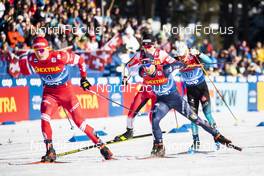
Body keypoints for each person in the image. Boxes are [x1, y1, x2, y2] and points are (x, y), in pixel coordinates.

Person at [17, 36, 113, 162]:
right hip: (50, 94)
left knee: (80, 123)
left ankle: (102, 146)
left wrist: (83, 78)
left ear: (47, 49)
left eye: (41, 50)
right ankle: (50, 151)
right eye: (36, 51)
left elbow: (80, 60)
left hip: (67, 94)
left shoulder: (59, 56)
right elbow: (22, 66)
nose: (39, 54)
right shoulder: (32, 59)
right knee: (44, 118)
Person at [138, 57, 234, 157]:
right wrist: (125, 80)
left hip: (176, 101)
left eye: (148, 65)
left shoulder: (165, 69)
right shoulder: (142, 72)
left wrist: (184, 65)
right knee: (154, 120)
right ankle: (159, 146)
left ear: (154, 64)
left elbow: (178, 64)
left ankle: (218, 135)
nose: (146, 68)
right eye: (144, 66)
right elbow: (130, 70)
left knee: (196, 120)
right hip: (162, 102)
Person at [114, 34, 175, 141]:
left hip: (157, 90)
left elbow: (174, 63)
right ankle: (129, 131)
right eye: (144, 46)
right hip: (145, 89)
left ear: (154, 45)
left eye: (149, 46)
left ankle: (157, 141)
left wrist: (168, 71)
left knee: (153, 117)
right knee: (132, 110)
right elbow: (127, 66)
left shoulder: (161, 54)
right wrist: (125, 78)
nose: (146, 49)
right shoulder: (140, 55)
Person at [175, 41, 220, 151]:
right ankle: (196, 143)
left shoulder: (193, 56)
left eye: (183, 56)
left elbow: (211, 62)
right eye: (180, 57)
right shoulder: (177, 60)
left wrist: (200, 54)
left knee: (207, 114)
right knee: (193, 117)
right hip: (191, 92)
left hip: (202, 90)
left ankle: (217, 138)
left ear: (187, 52)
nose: (182, 59)